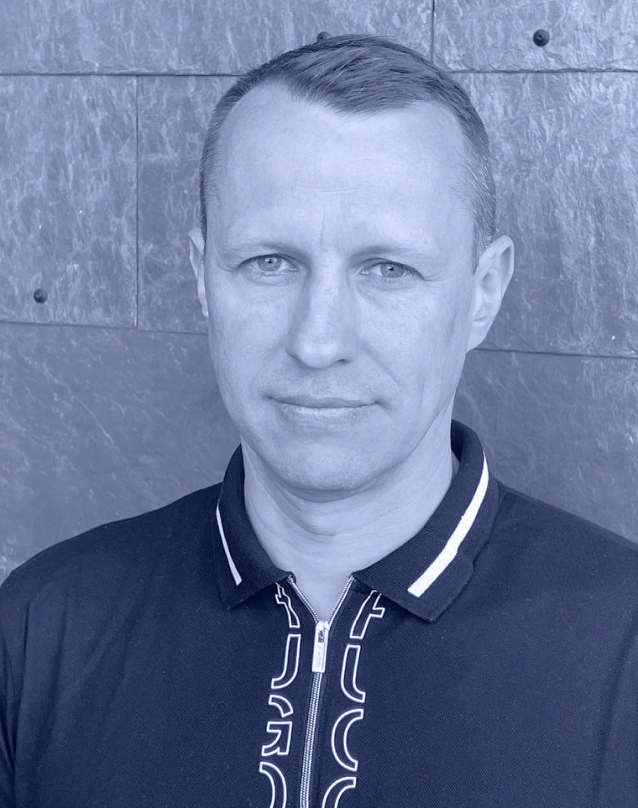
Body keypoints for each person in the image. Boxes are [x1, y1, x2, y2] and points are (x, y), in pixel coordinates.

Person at [0, 34, 636, 808]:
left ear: (484, 290)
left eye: (388, 269)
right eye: (269, 262)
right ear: (203, 278)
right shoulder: (39, 632)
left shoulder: (624, 642)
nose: (318, 341)